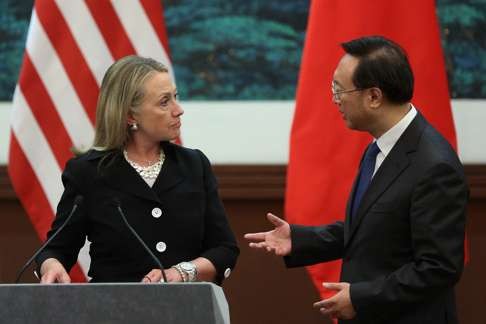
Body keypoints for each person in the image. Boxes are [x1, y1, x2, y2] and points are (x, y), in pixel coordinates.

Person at [245, 36, 468, 324]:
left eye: (340, 90)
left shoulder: (435, 166)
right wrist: (300, 239)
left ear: (374, 97)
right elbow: (370, 229)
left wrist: (361, 298)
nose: (335, 99)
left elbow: (438, 268)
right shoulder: (380, 146)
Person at [36, 55, 239, 284]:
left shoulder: (194, 165)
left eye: (175, 97)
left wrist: (183, 272)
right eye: (164, 102)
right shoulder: (88, 172)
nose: (178, 109)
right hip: (112, 313)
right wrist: (52, 265)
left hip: (187, 309)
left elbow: (224, 249)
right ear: (130, 115)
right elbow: (56, 249)